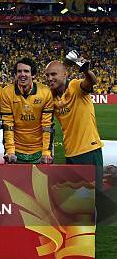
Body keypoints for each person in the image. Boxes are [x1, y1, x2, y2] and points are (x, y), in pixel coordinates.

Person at [45, 58, 109, 215]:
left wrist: (86, 70)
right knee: (76, 201)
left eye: (54, 74)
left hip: (89, 150)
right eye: (47, 75)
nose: (50, 78)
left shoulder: (74, 85)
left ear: (65, 74)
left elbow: (90, 82)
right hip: (70, 154)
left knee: (91, 199)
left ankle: (89, 237)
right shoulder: (51, 97)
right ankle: (79, 236)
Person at [0, 58, 54, 164]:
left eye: (26, 71)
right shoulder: (7, 92)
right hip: (16, 151)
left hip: (39, 150)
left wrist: (46, 152)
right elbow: (7, 124)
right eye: (19, 71)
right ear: (15, 74)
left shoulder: (45, 92)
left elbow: (47, 126)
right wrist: (10, 151)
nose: (22, 74)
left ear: (33, 75)